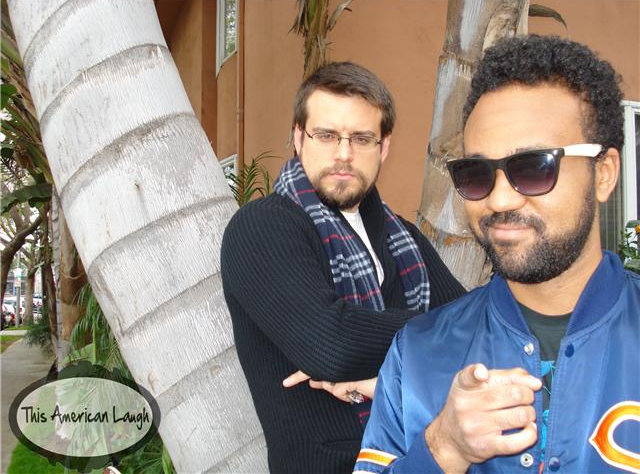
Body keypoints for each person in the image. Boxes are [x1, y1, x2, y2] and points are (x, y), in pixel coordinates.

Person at [355, 35, 639, 474]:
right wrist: (442, 448)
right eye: (476, 173)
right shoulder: (418, 354)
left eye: (534, 167)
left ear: (603, 174)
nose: (500, 199)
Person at [220, 62, 465, 473]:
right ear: (299, 137)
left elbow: (477, 330)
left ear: (383, 147)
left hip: (423, 458)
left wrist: (379, 372)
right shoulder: (262, 226)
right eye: (326, 135)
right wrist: (437, 333)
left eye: (362, 138)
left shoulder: (403, 237)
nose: (344, 154)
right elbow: (331, 346)